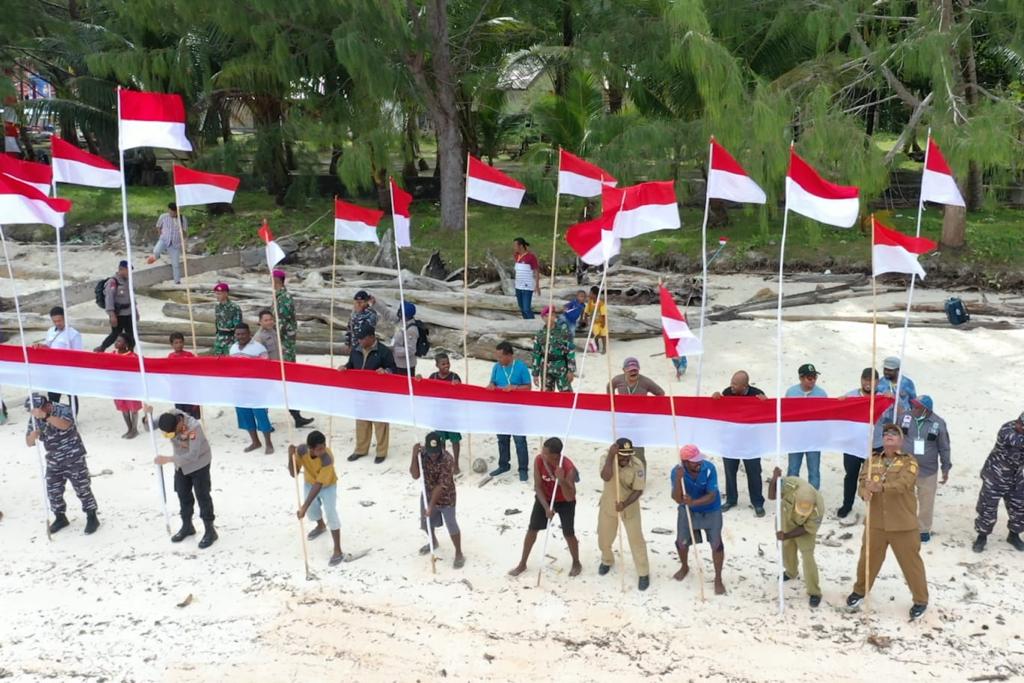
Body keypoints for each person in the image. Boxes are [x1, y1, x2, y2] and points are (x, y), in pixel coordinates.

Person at [847, 423, 929, 620]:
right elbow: (861, 482)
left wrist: (880, 487)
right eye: (885, 434)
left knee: (911, 564)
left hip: (902, 524)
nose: (889, 436)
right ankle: (860, 590)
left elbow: (903, 484)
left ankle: (920, 600)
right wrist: (863, 491)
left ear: (901, 440)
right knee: (867, 559)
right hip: (876, 522)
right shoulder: (871, 460)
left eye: (894, 434)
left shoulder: (909, 462)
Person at [24, 393, 99, 535]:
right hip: (53, 459)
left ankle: (92, 516)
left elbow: (65, 425)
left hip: (73, 456)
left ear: (46, 405)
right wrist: (32, 437)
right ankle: (60, 517)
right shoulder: (35, 418)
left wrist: (45, 417)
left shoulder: (62, 409)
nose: (35, 414)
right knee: (53, 491)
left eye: (37, 410)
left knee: (82, 487)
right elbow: (28, 443)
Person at [508, 437, 582, 578]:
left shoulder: (568, 467)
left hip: (565, 502)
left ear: (555, 455)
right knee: (532, 529)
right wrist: (547, 507)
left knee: (568, 533)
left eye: (546, 452)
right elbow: (537, 486)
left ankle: (576, 562)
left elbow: (570, 496)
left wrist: (561, 480)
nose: (542, 454)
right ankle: (522, 563)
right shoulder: (539, 460)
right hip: (545, 498)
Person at [153, 407, 217, 548]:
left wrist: (168, 459)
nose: (172, 437)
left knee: (202, 496)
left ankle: (210, 530)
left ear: (179, 423)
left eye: (172, 434)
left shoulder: (193, 428)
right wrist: (147, 415)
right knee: (182, 493)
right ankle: (187, 526)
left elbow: (193, 455)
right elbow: (149, 426)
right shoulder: (168, 416)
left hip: (199, 463)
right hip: (180, 465)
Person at [671, 444, 725, 595]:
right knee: (681, 542)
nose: (699, 463)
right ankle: (684, 566)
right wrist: (678, 480)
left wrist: (693, 502)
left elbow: (712, 495)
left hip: (711, 510)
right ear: (685, 462)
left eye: (699, 459)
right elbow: (676, 498)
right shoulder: (677, 472)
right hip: (687, 510)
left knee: (717, 545)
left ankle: (718, 578)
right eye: (695, 461)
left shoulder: (708, 468)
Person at [712, 370, 768, 516]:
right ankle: (731, 499)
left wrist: (765, 403)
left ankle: (757, 502)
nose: (731, 386)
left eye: (735, 384)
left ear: (745, 386)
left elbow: (766, 415)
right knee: (730, 472)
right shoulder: (727, 392)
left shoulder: (756, 394)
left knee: (754, 473)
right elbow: (718, 411)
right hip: (731, 440)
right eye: (731, 382)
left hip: (751, 442)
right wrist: (716, 398)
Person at [597, 438, 650, 591]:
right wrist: (610, 457)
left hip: (629, 505)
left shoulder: (637, 464)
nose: (625, 459)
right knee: (603, 537)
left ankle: (643, 572)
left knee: (636, 540)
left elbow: (639, 490)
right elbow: (605, 477)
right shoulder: (606, 458)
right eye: (622, 456)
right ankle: (607, 560)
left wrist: (625, 504)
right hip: (608, 503)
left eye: (628, 456)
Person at [768, 467, 825, 607]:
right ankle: (791, 571)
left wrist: (787, 535)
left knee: (808, 557)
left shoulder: (819, 508)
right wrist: (774, 479)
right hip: (786, 518)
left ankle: (814, 592)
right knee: (785, 548)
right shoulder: (791, 485)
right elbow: (771, 496)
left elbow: (807, 528)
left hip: (803, 529)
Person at [341, 326, 396, 464]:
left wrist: (386, 371)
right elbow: (351, 364)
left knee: (380, 423)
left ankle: (381, 452)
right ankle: (361, 449)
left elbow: (393, 369)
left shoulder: (384, 351)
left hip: (378, 393)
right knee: (361, 422)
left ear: (372, 337)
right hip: (360, 392)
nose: (360, 341)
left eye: (362, 338)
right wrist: (345, 368)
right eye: (358, 338)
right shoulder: (356, 350)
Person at [288, 430, 343, 566]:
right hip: (309, 482)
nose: (323, 450)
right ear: (310, 448)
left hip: (327, 485)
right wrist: (291, 457)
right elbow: (293, 474)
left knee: (331, 512)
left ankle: (338, 550)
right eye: (319, 448)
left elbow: (319, 484)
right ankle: (320, 526)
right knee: (313, 509)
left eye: (324, 446)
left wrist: (303, 508)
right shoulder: (301, 451)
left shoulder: (327, 458)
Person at [972, 412, 1024, 553]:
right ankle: (982, 537)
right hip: (995, 475)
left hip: (1017, 477)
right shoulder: (1007, 430)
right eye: (1020, 423)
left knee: (1019, 507)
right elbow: (1017, 441)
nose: (1020, 426)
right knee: (987, 508)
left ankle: (1013, 535)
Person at [411, 432, 465, 568]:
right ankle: (433, 542)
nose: (433, 455)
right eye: (431, 452)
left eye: (436, 452)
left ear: (441, 447)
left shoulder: (448, 459)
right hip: (427, 493)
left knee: (451, 524)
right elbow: (415, 475)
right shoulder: (422, 454)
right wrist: (413, 455)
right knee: (425, 524)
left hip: (446, 497)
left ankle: (459, 553)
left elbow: (441, 486)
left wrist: (430, 506)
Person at [902, 395, 951, 542]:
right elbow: (895, 434)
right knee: (905, 498)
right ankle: (905, 525)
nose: (913, 408)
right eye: (913, 405)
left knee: (926, 501)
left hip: (928, 470)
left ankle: (923, 529)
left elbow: (944, 447)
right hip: (906, 467)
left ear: (926, 409)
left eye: (916, 406)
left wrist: (946, 467)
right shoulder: (905, 417)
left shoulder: (938, 423)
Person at [254, 309, 314, 428]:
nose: (269, 322)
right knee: (265, 398)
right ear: (260, 322)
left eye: (271, 319)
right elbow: (258, 357)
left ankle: (297, 418)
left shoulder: (273, 331)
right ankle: (263, 423)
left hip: (279, 369)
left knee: (288, 393)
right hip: (267, 373)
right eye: (266, 320)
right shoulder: (259, 337)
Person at [837, 368, 885, 518]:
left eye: (871, 380)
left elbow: (896, 415)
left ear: (877, 381)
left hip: (875, 445)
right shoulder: (850, 396)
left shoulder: (883, 398)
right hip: (853, 444)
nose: (867, 383)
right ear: (861, 380)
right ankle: (847, 505)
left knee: (876, 476)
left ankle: (875, 508)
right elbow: (839, 414)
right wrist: (839, 404)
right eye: (865, 379)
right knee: (851, 475)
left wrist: (891, 400)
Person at [486, 341, 532, 480]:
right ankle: (504, 464)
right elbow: (493, 381)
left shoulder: (521, 367)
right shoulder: (496, 367)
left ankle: (523, 468)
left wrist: (515, 388)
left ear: (509, 355)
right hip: (500, 409)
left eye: (500, 357)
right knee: (502, 439)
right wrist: (491, 385)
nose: (498, 360)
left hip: (517, 409)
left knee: (519, 440)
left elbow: (528, 387)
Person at [228, 323, 275, 454]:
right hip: (239, 388)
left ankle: (268, 443)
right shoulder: (232, 348)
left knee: (261, 415)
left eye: (243, 333)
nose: (241, 336)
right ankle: (255, 442)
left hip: (256, 388)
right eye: (238, 334)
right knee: (245, 415)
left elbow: (266, 368)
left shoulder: (258, 348)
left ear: (249, 333)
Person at [785, 363, 827, 490]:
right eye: (809, 378)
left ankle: (813, 498)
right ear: (801, 378)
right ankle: (790, 495)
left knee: (814, 470)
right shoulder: (791, 392)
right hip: (795, 438)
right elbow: (785, 413)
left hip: (813, 438)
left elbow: (826, 415)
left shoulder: (821, 394)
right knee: (793, 468)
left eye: (815, 377)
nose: (813, 380)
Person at [36, 305, 83, 414]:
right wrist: (40, 346)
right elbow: (49, 346)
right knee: (52, 395)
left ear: (65, 318)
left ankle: (73, 419)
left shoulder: (74, 334)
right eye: (55, 321)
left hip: (67, 369)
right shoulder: (51, 331)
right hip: (53, 368)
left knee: (71, 394)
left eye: (59, 320)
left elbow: (78, 354)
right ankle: (54, 417)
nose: (57, 323)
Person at [427, 353, 462, 472]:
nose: (446, 365)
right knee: (440, 440)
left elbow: (462, 394)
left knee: (455, 440)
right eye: (443, 364)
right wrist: (419, 379)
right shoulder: (433, 377)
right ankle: (443, 462)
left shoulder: (454, 377)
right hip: (438, 414)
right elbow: (425, 389)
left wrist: (458, 386)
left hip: (452, 414)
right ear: (437, 365)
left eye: (448, 363)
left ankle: (456, 464)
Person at [531, 306, 576, 392]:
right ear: (543, 317)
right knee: (546, 395)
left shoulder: (563, 331)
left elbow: (570, 350)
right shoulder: (540, 334)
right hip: (546, 368)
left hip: (561, 366)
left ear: (555, 316)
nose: (550, 318)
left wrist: (571, 370)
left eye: (552, 315)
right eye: (547, 315)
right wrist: (535, 374)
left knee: (566, 393)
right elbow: (536, 354)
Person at [95, 260, 135, 352]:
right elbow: (109, 299)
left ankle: (130, 351)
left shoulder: (127, 281)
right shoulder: (113, 282)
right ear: (121, 269)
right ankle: (102, 348)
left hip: (128, 312)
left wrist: (135, 312)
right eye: (127, 270)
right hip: (118, 313)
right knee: (116, 333)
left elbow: (131, 297)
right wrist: (112, 314)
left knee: (131, 334)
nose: (129, 273)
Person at [111, 333, 142, 439]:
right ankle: (129, 428)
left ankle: (134, 429)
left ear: (126, 344)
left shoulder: (132, 356)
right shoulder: (113, 354)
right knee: (123, 408)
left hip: (130, 387)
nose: (116, 343)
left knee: (133, 408)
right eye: (116, 340)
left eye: (119, 341)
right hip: (117, 386)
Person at [146, 202, 185, 284]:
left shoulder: (182, 219)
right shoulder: (163, 217)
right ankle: (157, 256)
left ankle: (177, 281)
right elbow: (158, 226)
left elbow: (185, 232)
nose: (172, 214)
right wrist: (161, 234)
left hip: (175, 243)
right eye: (171, 212)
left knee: (176, 264)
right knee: (156, 250)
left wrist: (181, 233)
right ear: (169, 210)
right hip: (164, 239)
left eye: (174, 212)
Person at [166, 332, 201, 420]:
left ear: (183, 342)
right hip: (178, 391)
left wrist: (197, 360)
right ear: (171, 344)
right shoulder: (170, 357)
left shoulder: (189, 355)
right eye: (176, 343)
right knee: (180, 414)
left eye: (180, 342)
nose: (179, 345)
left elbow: (196, 369)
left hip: (189, 390)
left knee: (191, 415)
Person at [272, 269, 298, 364]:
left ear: (276, 280)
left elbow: (282, 321)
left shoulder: (284, 297)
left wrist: (273, 335)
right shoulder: (279, 296)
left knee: (287, 363)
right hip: (282, 338)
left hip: (285, 338)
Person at [512, 237, 540, 319]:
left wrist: (537, 285)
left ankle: (532, 323)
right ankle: (526, 323)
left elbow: (536, 271)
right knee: (522, 308)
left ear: (520, 246)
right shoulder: (516, 255)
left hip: (527, 286)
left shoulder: (531, 257)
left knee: (526, 308)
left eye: (515, 245)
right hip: (518, 286)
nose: (514, 247)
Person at [212, 282, 242, 357]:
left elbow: (238, 327)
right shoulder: (217, 307)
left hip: (230, 340)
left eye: (219, 294)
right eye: (216, 293)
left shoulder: (234, 308)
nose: (217, 296)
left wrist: (237, 342)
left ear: (226, 293)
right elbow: (217, 323)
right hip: (219, 340)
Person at [391, 301, 420, 377]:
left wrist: (394, 349)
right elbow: (387, 314)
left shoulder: (411, 330)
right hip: (396, 362)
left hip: (405, 366)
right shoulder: (401, 321)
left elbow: (410, 350)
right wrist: (375, 304)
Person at [583, 286, 607, 353]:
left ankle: (604, 348)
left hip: (602, 322)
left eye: (590, 293)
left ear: (595, 295)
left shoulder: (601, 304)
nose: (589, 294)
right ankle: (597, 345)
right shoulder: (590, 303)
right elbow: (586, 312)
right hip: (595, 322)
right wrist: (585, 319)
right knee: (596, 335)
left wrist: (603, 323)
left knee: (603, 335)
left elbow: (603, 314)